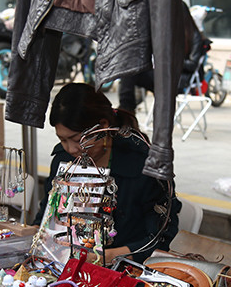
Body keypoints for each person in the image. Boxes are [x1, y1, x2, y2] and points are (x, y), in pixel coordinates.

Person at [37, 83, 182, 264]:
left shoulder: (144, 164)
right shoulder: (63, 159)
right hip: (61, 264)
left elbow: (161, 236)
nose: (71, 148)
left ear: (103, 127)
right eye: (62, 139)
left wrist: (109, 257)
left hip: (127, 269)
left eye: (77, 139)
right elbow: (45, 217)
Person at [117, 2, 207, 113]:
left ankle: (126, 110)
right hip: (161, 73)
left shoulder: (193, 36)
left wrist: (170, 61)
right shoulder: (166, 34)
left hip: (178, 78)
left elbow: (192, 65)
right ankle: (126, 109)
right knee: (130, 70)